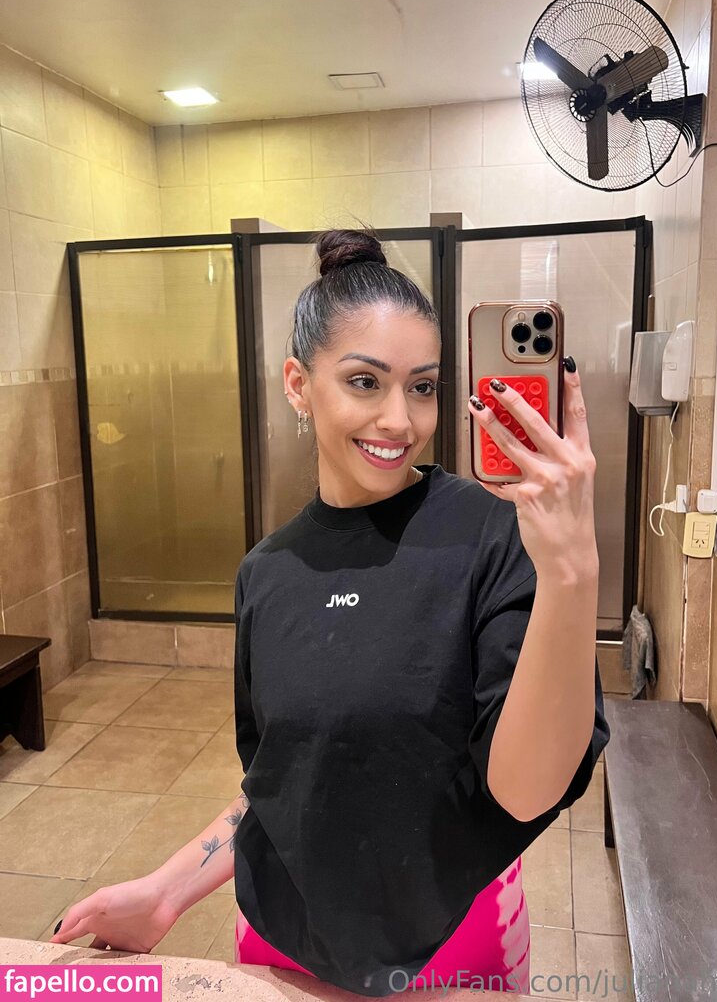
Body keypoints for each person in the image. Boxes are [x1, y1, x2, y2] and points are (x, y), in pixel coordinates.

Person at [50, 227, 609, 998]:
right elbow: (285, 781)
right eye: (364, 381)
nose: (399, 420)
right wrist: (166, 891)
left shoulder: (493, 535)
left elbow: (526, 789)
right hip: (279, 938)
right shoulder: (267, 573)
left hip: (452, 942)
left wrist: (572, 573)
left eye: (422, 387)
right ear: (297, 384)